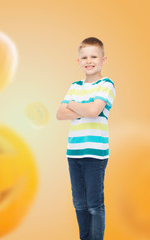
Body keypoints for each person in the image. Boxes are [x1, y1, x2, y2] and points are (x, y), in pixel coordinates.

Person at [56, 37, 116, 240]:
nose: (89, 61)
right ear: (78, 61)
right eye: (84, 57)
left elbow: (94, 110)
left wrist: (73, 105)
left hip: (95, 155)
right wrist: (85, 108)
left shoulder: (106, 85)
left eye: (94, 56)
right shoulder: (75, 86)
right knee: (79, 203)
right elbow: (59, 114)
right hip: (73, 153)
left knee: (94, 204)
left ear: (103, 59)